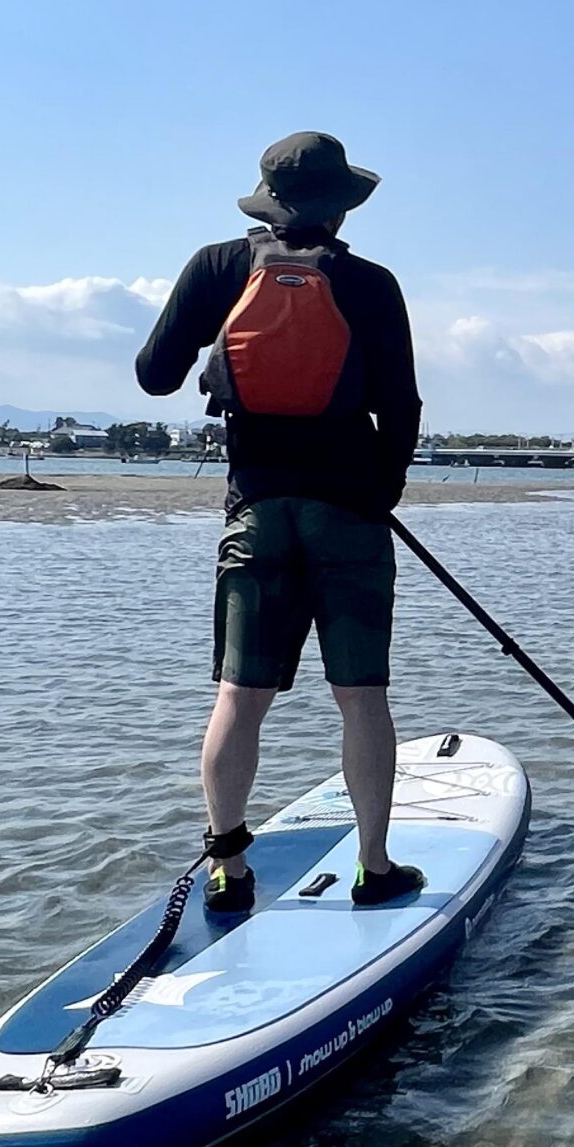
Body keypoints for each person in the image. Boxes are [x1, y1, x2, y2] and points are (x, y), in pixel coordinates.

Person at [137, 131, 425, 914]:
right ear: (341, 208)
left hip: (256, 514)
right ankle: (374, 867)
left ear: (267, 200)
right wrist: (382, 490)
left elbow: (153, 377)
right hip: (350, 517)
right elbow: (400, 406)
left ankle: (228, 869)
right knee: (361, 696)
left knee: (239, 695)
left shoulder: (218, 266)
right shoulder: (371, 283)